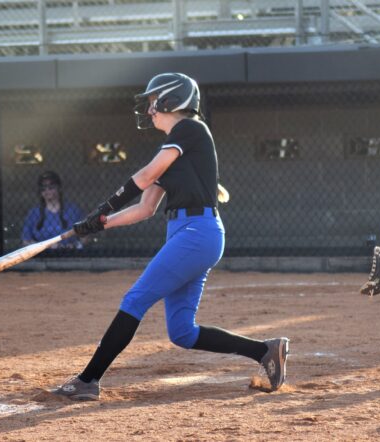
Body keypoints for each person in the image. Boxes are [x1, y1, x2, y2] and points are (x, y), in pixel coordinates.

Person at [51, 72, 289, 401]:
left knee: (135, 300)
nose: (149, 110)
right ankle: (265, 351)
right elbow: (145, 208)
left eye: (153, 102)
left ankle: (88, 380)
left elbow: (145, 175)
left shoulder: (190, 129)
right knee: (182, 332)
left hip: (197, 232)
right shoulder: (173, 150)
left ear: (172, 100)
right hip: (185, 234)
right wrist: (99, 223)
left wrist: (105, 206)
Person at [22, 171, 85, 249]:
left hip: (69, 253)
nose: (47, 190)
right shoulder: (34, 213)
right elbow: (26, 241)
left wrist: (74, 246)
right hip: (42, 254)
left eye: (51, 187)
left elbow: (85, 236)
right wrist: (45, 247)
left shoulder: (73, 210)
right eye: (43, 188)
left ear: (59, 188)